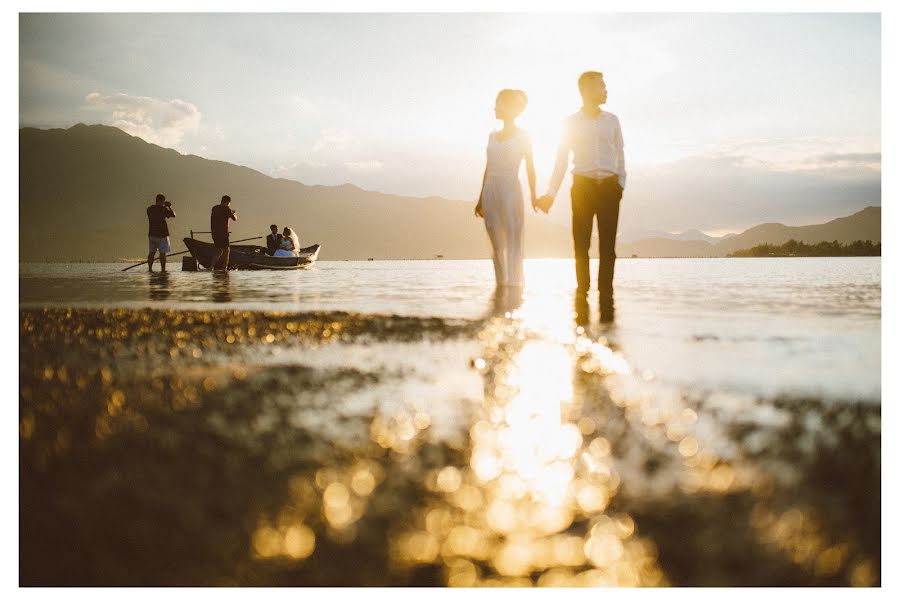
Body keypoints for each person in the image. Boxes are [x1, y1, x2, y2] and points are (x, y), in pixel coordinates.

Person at [538, 71, 626, 323]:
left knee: (608, 247)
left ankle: (606, 298)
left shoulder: (613, 120)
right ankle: (582, 295)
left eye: (605, 86)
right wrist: (551, 193)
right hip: (583, 186)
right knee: (581, 244)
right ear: (586, 90)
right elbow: (561, 160)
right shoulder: (570, 122)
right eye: (601, 86)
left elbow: (620, 154)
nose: (606, 90)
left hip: (609, 187)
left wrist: (621, 183)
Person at [474, 89, 538, 288]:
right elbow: (488, 166)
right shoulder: (492, 136)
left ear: (512, 108)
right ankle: (500, 286)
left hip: (511, 188)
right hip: (490, 190)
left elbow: (530, 167)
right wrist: (480, 199)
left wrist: (534, 196)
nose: (495, 107)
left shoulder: (524, 136)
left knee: (513, 239)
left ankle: (515, 285)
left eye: (500, 103)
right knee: (495, 241)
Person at [146, 193, 176, 272]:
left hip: (152, 234)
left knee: (151, 252)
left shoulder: (149, 209)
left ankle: (150, 269)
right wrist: (169, 207)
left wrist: (165, 206)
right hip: (162, 235)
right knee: (162, 253)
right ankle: (163, 270)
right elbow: (173, 215)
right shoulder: (164, 209)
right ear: (162, 201)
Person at [210, 195, 237, 271]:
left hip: (215, 233)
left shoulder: (214, 208)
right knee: (226, 250)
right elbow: (234, 219)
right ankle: (224, 268)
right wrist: (233, 213)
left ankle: (211, 266)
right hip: (223, 233)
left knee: (218, 250)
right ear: (228, 202)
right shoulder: (227, 208)